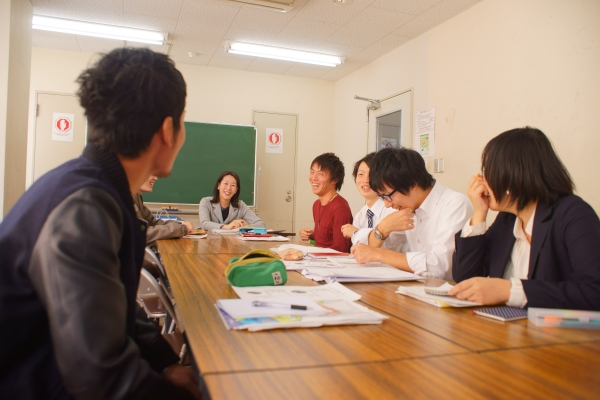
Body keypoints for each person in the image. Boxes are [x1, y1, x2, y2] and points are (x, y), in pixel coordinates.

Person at [0, 48, 201, 399]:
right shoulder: (85, 207)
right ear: (168, 130)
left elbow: (110, 306)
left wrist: (165, 363)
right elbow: (101, 380)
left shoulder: (92, 188)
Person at [449, 127, 600, 310]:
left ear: (513, 174)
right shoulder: (507, 219)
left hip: (556, 335)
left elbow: (594, 292)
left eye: (487, 171)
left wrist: (510, 290)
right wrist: (479, 214)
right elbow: (465, 276)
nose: (481, 180)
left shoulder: (572, 214)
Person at [351, 148, 472, 280]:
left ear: (412, 184)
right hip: (417, 289)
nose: (387, 204)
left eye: (387, 196)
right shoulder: (407, 207)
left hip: (448, 293)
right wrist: (384, 228)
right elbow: (372, 246)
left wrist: (379, 254)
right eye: (382, 197)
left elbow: (439, 267)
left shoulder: (455, 205)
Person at [341, 152, 403, 250]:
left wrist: (356, 233)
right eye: (361, 174)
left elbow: (387, 246)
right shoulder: (360, 215)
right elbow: (357, 250)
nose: (365, 180)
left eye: (371, 175)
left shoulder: (393, 209)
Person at [300, 153, 353, 252]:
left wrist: (313, 251)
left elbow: (341, 249)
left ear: (334, 179)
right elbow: (325, 238)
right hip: (318, 259)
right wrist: (311, 234)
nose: (314, 178)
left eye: (320, 174)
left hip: (330, 264)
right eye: (312, 172)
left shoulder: (340, 208)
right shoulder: (316, 204)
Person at [134, 175, 194, 244]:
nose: (155, 178)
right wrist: (182, 229)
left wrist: (180, 225)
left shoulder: (135, 196)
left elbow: (151, 222)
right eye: (150, 173)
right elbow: (141, 234)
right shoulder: (125, 198)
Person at [199, 171, 265, 231]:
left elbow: (261, 224)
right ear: (218, 186)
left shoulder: (240, 206)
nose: (228, 188)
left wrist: (246, 226)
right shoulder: (206, 202)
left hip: (233, 243)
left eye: (233, 185)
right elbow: (205, 224)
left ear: (236, 190)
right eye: (226, 183)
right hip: (211, 242)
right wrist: (226, 227)